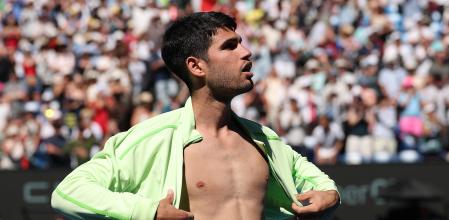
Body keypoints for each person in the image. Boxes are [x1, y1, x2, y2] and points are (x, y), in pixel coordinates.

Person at [51, 12, 340, 220]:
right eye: (230, 46)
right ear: (196, 66)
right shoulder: (153, 137)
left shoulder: (264, 139)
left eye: (241, 43)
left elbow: (318, 183)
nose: (247, 52)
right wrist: (146, 212)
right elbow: (68, 191)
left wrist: (331, 194)